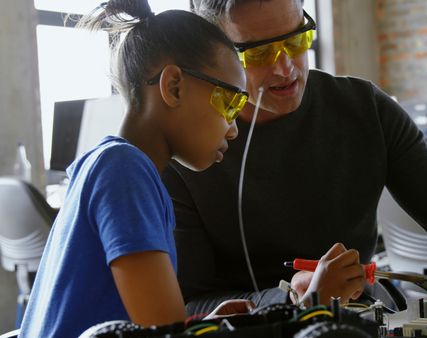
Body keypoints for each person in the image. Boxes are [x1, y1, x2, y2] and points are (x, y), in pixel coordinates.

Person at [162, 0, 427, 315]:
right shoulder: (186, 150)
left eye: (296, 40)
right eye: (257, 53)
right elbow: (191, 303)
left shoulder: (364, 108)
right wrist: (290, 298)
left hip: (364, 317)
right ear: (215, 53)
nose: (285, 68)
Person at [22, 0, 260, 336]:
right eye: (230, 102)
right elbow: (164, 332)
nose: (234, 128)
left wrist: (201, 325)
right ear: (173, 86)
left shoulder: (107, 164)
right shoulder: (126, 170)